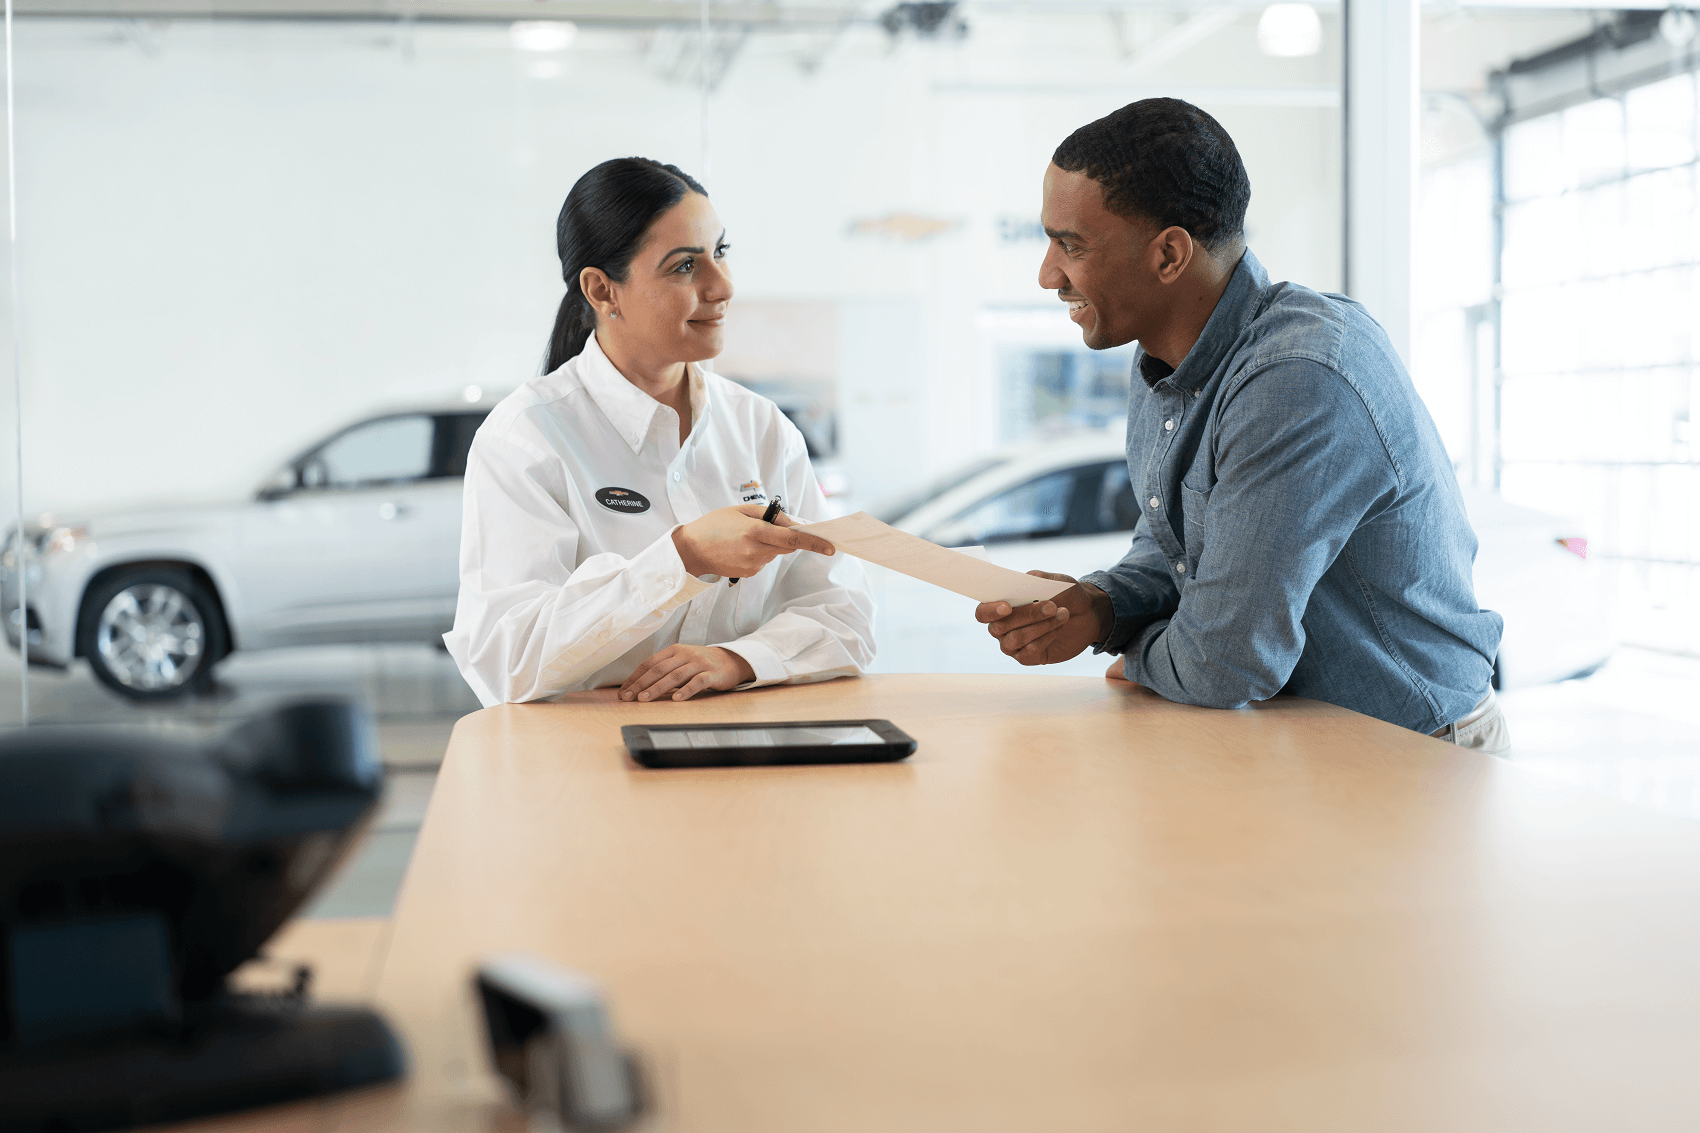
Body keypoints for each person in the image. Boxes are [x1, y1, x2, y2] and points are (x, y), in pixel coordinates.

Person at [975, 99, 1509, 753]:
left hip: (1419, 751)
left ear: (1169, 254)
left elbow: (1226, 660)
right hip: (1314, 746)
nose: (1047, 274)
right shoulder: (1162, 361)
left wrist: (1135, 652)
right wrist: (1100, 608)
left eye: (1072, 245)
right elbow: (1172, 548)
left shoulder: (1298, 376)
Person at [444, 157, 875, 706]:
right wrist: (684, 557)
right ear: (602, 291)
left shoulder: (761, 428)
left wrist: (739, 660)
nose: (722, 287)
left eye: (719, 253)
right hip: (588, 763)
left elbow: (845, 614)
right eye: (683, 267)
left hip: (747, 759)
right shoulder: (527, 438)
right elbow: (506, 659)